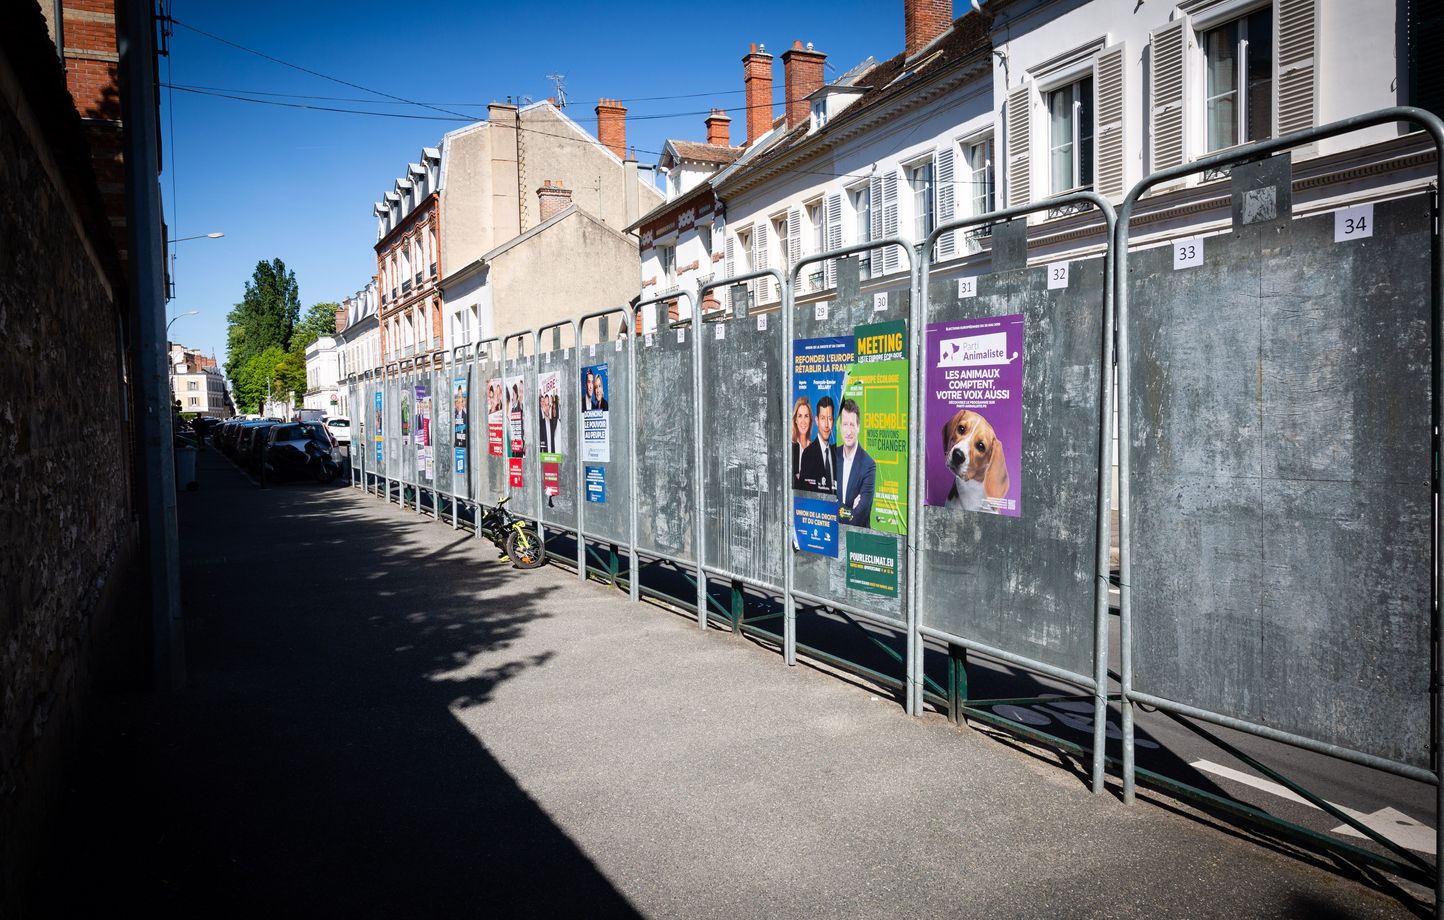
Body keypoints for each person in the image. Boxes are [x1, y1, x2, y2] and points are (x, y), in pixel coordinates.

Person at [835, 398, 875, 528]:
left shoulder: (868, 465)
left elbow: (858, 517)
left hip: (858, 540)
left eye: (852, 425)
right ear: (840, 427)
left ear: (858, 427)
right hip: (832, 536)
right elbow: (824, 504)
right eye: (845, 424)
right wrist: (849, 510)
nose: (848, 431)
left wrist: (837, 506)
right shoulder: (831, 456)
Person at [797, 395, 836, 493]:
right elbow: (804, 493)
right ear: (817, 420)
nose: (826, 425)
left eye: (829, 419)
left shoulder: (837, 452)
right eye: (823, 418)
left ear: (834, 421)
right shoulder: (808, 454)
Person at [790, 396, 812, 487]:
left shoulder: (814, 448)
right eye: (800, 416)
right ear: (795, 420)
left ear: (810, 420)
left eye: (806, 416)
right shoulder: (790, 446)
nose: (803, 421)